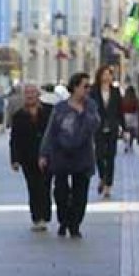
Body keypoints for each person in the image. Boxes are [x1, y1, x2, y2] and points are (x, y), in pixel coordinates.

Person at [40, 72, 101, 238]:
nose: (87, 90)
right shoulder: (60, 108)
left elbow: (95, 124)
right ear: (75, 87)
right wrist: (44, 154)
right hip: (61, 154)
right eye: (85, 86)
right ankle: (63, 220)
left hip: (83, 155)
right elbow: (51, 131)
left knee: (80, 193)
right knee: (60, 191)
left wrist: (83, 112)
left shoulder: (90, 106)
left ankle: (74, 225)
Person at [10, 84, 54, 231]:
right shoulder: (18, 116)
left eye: (32, 93)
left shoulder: (49, 111)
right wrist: (15, 160)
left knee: (45, 186)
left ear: (38, 94)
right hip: (27, 157)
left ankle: (45, 215)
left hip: (47, 156)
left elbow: (55, 134)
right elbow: (14, 139)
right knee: (33, 187)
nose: (29, 96)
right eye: (27, 93)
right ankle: (37, 217)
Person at [90, 65, 123, 199]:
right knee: (99, 155)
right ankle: (102, 177)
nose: (107, 77)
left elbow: (119, 110)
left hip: (112, 127)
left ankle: (108, 185)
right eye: (104, 74)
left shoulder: (115, 91)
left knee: (110, 157)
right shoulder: (94, 91)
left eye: (109, 74)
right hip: (98, 127)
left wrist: (123, 127)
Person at [121, 85, 139, 154]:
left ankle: (126, 145)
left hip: (125, 116)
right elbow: (137, 107)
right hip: (133, 116)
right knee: (131, 132)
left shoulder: (124, 98)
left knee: (125, 131)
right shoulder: (134, 98)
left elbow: (121, 107)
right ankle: (130, 145)